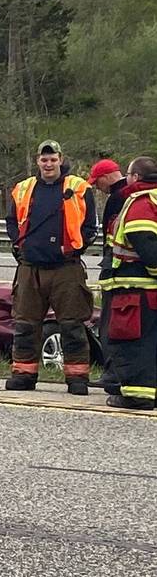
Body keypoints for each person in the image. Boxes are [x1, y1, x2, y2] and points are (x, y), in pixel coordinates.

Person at [4, 140, 97, 395]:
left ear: (60, 160)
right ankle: (23, 374)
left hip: (66, 268)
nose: (48, 164)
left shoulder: (78, 187)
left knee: (72, 325)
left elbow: (90, 226)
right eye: (44, 160)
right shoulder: (23, 188)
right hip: (30, 267)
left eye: (53, 159)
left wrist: (75, 249)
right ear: (37, 161)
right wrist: (19, 245)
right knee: (25, 324)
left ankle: (77, 378)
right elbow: (11, 221)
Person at [100, 156, 157, 409]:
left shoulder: (140, 203)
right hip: (146, 289)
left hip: (136, 290)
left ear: (135, 177)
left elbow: (144, 242)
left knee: (133, 344)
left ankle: (138, 395)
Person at [87, 158, 128, 393]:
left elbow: (111, 240)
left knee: (110, 325)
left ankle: (112, 374)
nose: (97, 188)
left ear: (105, 177)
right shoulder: (137, 194)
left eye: (97, 182)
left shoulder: (116, 198)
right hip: (130, 272)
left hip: (115, 270)